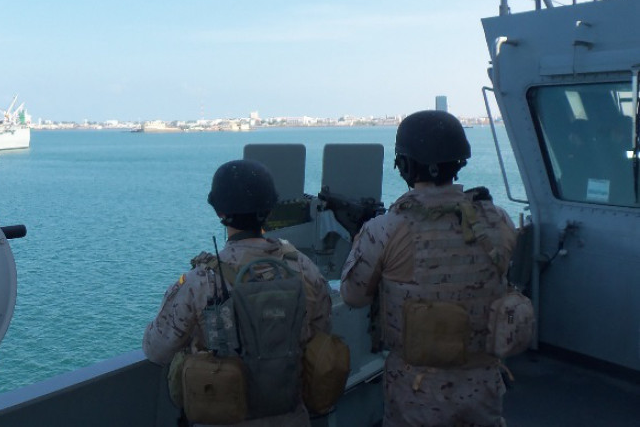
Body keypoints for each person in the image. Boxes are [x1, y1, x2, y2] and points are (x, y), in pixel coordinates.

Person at [340, 111, 517, 427]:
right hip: (484, 387)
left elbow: (353, 297)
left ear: (405, 166)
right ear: (460, 161)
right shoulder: (498, 219)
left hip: (417, 395)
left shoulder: (385, 229)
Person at [143, 159, 333, 426]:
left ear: (219, 212)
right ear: (269, 210)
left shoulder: (201, 280)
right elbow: (321, 326)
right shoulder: (303, 267)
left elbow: (156, 349)